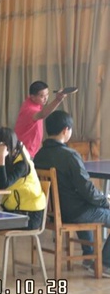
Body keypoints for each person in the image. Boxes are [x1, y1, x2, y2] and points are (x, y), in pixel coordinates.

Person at [34, 111, 110, 276]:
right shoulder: (70, 156)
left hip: (52, 214)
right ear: (65, 130)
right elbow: (87, 190)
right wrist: (106, 202)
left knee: (84, 204)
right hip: (74, 212)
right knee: (89, 206)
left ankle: (89, 257)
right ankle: (104, 264)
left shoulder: (39, 155)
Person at [0, 127, 46, 270]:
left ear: (6, 146)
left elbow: (2, 185)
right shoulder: (2, 159)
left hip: (30, 216)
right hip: (13, 211)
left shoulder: (22, 164)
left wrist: (0, 158)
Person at [14, 81, 67, 158]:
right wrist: (58, 100)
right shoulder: (29, 109)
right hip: (24, 153)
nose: (46, 98)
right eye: (42, 96)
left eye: (47, 94)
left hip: (30, 151)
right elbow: (42, 114)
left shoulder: (34, 103)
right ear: (32, 97)